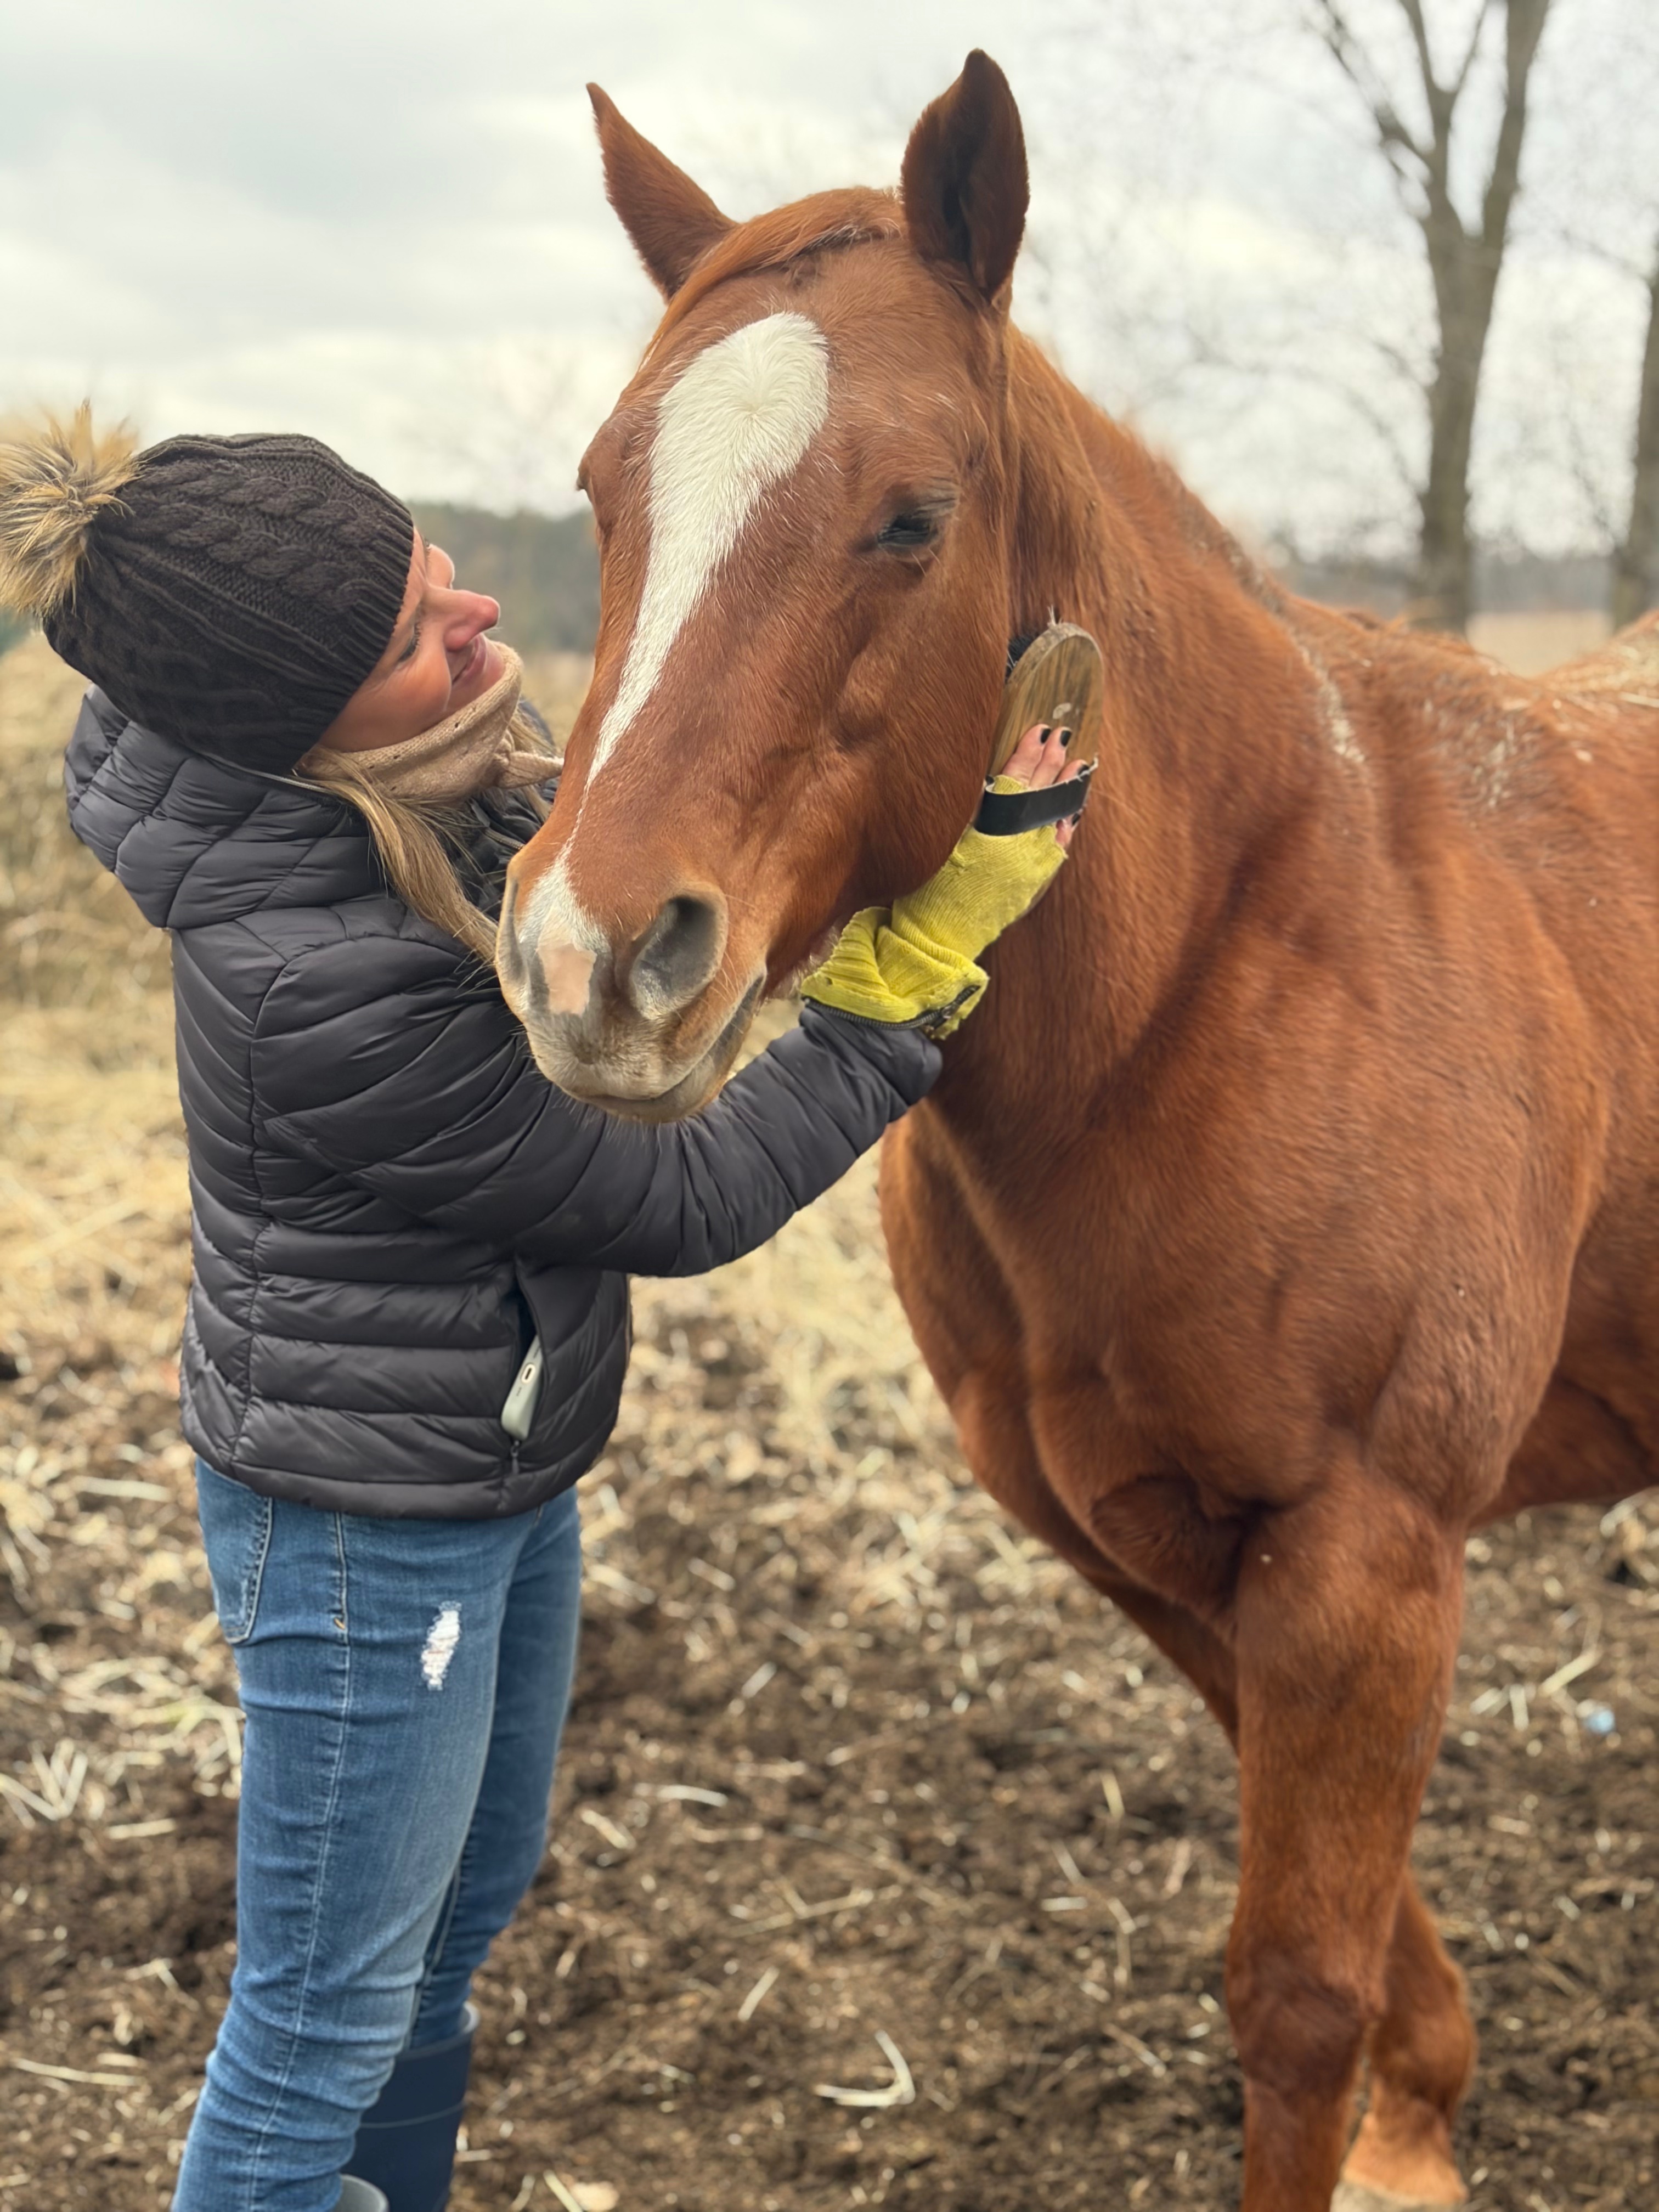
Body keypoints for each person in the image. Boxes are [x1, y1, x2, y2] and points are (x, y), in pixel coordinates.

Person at [0, 409, 1084, 2212]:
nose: (485, 621)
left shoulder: (411, 781)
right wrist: (907, 982)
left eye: (440, 572)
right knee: (319, 2019)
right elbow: (675, 1191)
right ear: (305, 727)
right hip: (367, 1536)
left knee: (447, 1940)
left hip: (489, 1465)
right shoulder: (312, 977)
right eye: (429, 637)